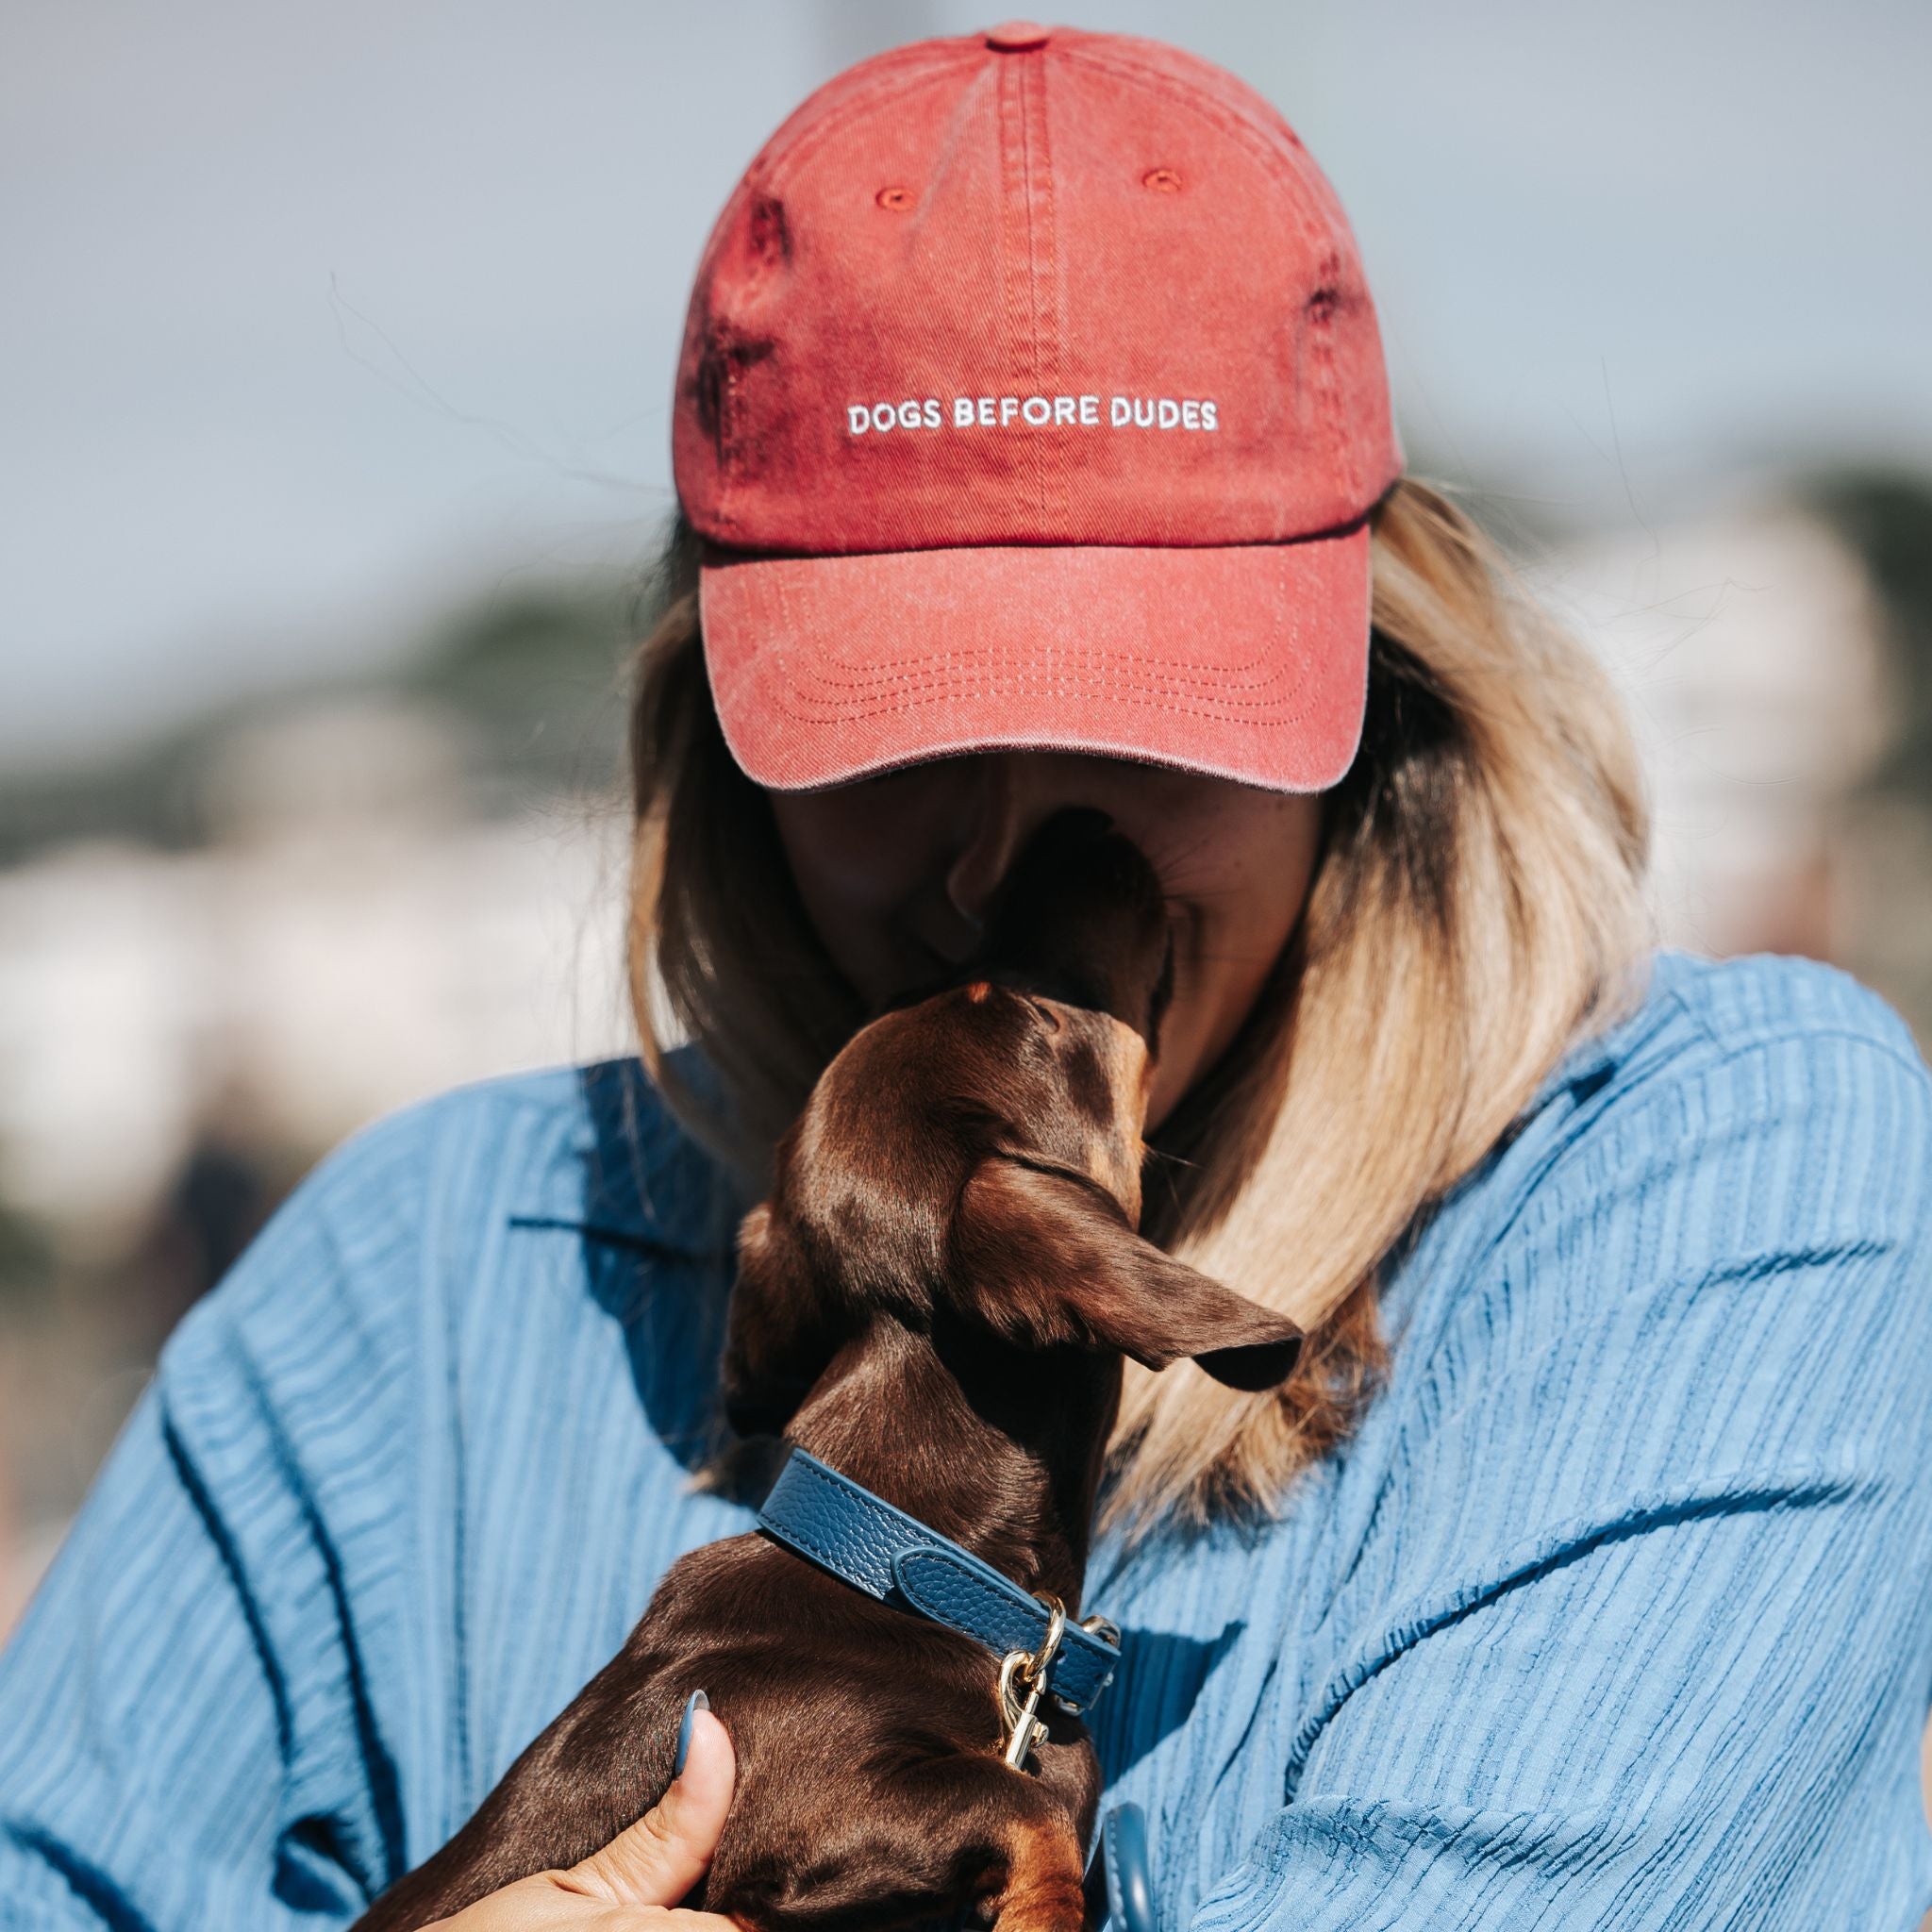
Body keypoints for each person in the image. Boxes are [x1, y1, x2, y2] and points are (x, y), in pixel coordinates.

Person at [4, 21, 1930, 1931]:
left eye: (1143, 720)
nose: (1000, 857)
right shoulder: (418, 1290)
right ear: (712, 727)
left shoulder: (1723, 1189)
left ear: (1373, 680)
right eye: (892, 725)